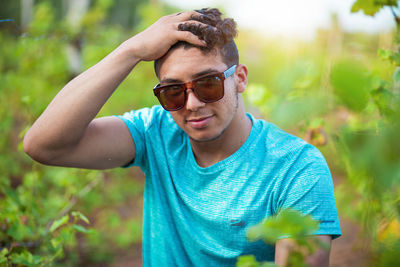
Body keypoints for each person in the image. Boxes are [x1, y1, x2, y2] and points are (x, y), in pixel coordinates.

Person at [23, 8, 341, 267]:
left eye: (209, 83)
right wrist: (131, 50)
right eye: (173, 91)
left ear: (240, 79)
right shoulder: (156, 132)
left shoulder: (297, 169)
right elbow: (43, 145)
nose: (192, 104)